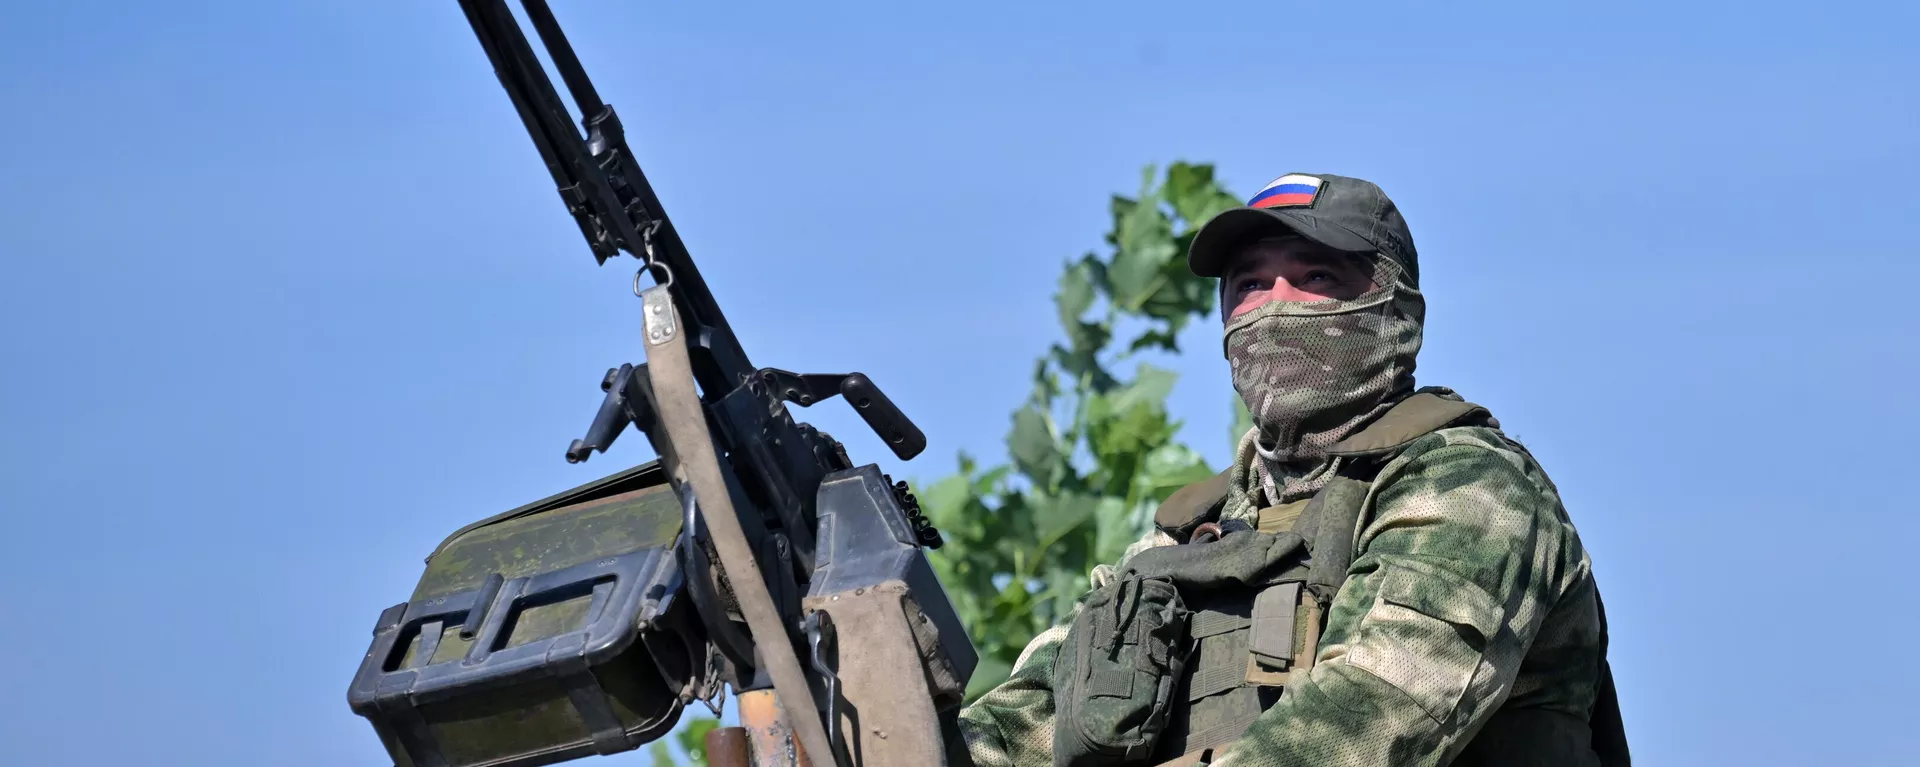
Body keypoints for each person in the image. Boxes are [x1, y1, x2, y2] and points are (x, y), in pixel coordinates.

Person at [955, 173, 1628, 767]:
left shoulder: (1471, 487)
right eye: (1250, 284)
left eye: (1315, 278)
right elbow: (1026, 723)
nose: (1275, 305)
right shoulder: (1191, 533)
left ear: (1395, 312)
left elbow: (1368, 720)